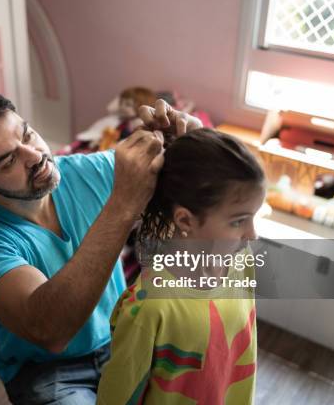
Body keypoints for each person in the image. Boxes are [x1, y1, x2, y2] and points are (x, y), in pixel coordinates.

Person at [0, 90, 202, 404]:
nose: (34, 156)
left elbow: (193, 180)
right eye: (8, 161)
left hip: (122, 338)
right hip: (49, 370)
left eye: (28, 135)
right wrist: (123, 205)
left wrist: (191, 139)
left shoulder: (88, 170)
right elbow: (51, 330)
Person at [96, 128, 266, 405]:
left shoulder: (241, 263)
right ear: (185, 220)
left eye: (254, 217)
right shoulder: (150, 308)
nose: (252, 234)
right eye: (238, 221)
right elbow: (118, 395)